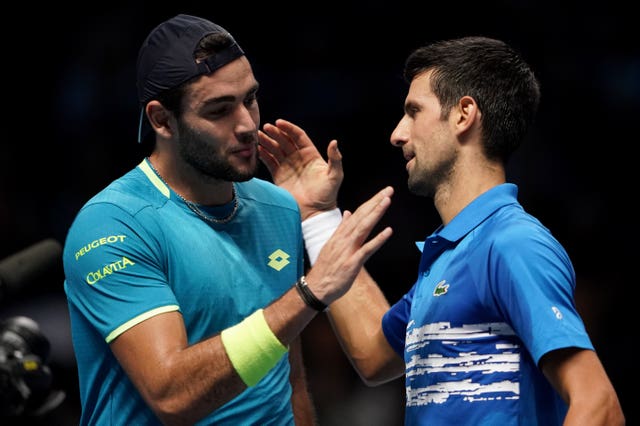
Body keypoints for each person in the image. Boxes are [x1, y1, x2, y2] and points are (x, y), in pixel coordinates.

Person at [258, 36, 625, 425]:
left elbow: (599, 406)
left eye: (413, 111)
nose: (397, 134)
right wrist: (318, 217)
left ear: (464, 114)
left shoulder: (512, 243)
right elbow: (373, 355)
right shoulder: (452, 256)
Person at [62, 13, 395, 425]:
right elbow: (172, 396)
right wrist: (308, 294)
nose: (247, 125)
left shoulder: (280, 207)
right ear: (161, 119)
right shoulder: (113, 225)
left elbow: (285, 383)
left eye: (250, 99)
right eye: (219, 110)